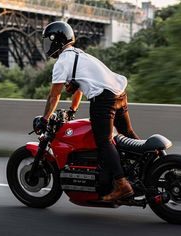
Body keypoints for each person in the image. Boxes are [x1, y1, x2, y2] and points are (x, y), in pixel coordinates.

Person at [40, 21, 140, 202]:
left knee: (103, 140)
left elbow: (54, 96)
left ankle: (122, 184)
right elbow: (78, 87)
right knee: (127, 132)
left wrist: (45, 119)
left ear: (57, 41)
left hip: (104, 99)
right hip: (120, 94)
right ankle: (148, 166)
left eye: (48, 41)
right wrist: (73, 110)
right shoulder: (79, 55)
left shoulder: (62, 62)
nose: (47, 46)